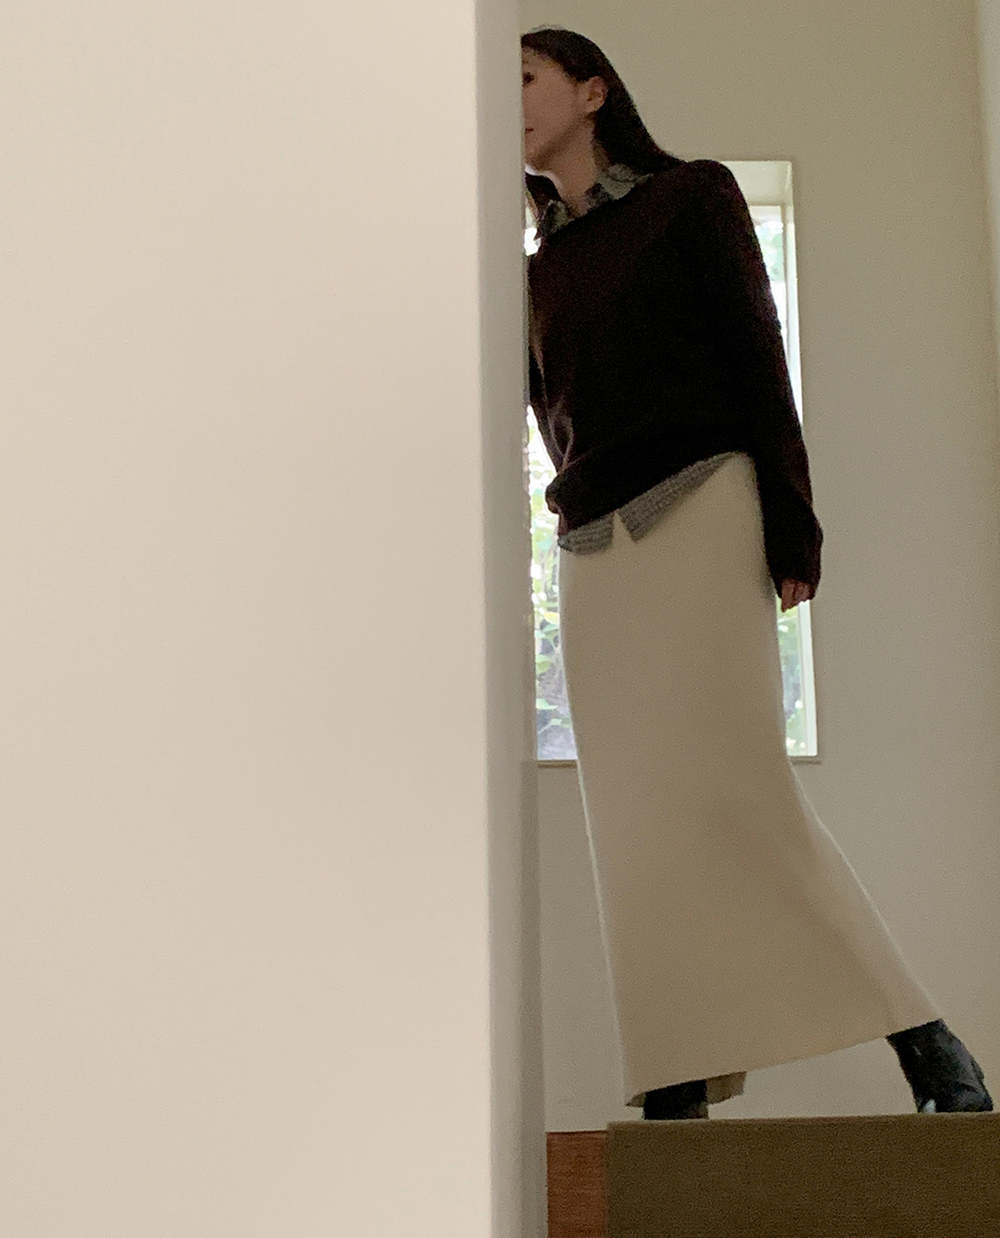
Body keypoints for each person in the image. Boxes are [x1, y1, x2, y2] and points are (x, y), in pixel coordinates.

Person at [522, 25, 993, 1122]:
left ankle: (924, 1039)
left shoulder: (691, 197)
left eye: (524, 79)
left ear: (592, 91)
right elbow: (544, 409)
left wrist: (792, 527)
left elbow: (755, 352)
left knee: (739, 791)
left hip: (703, 501)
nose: (503, 104)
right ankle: (674, 1078)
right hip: (591, 545)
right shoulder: (538, 268)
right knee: (631, 822)